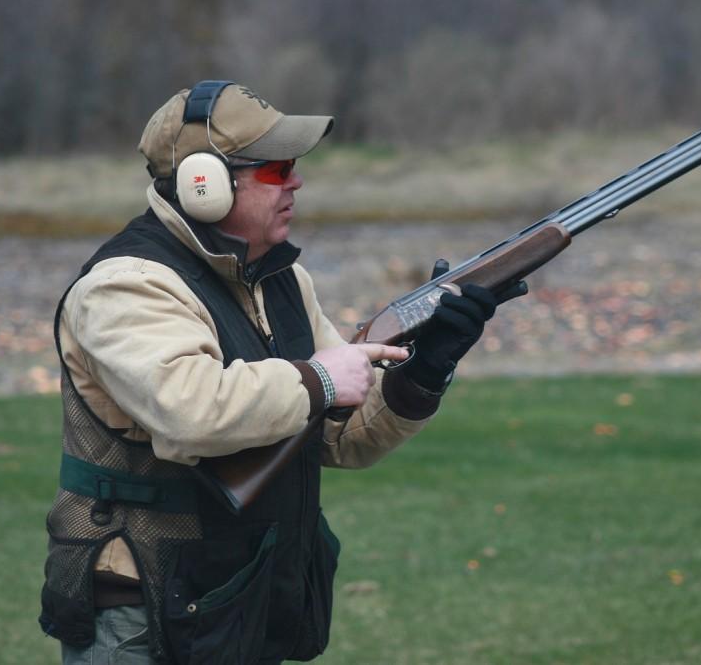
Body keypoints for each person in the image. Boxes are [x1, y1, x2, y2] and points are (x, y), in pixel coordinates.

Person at [38, 81, 515, 664]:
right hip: (145, 614)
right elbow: (191, 412)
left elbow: (340, 434)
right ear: (202, 184)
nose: (296, 182)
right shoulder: (128, 284)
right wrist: (319, 378)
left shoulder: (277, 277)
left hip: (235, 592)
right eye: (275, 169)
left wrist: (426, 368)